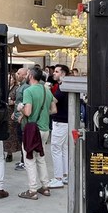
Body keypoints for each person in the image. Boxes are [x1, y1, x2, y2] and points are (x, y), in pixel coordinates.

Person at [17, 67, 54, 200]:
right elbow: (54, 109)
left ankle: (32, 190)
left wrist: (20, 108)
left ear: (31, 76)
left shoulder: (29, 91)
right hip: (45, 129)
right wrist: (43, 114)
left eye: (27, 73)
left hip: (33, 130)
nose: (26, 75)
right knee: (40, 158)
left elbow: (28, 112)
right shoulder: (46, 90)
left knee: (29, 158)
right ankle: (45, 187)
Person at [48, 65, 70, 188]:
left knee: (56, 149)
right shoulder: (65, 87)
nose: (54, 74)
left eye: (56, 72)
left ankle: (58, 178)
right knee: (63, 149)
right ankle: (65, 175)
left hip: (60, 122)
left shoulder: (62, 88)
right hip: (65, 121)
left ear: (63, 74)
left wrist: (46, 91)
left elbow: (54, 101)